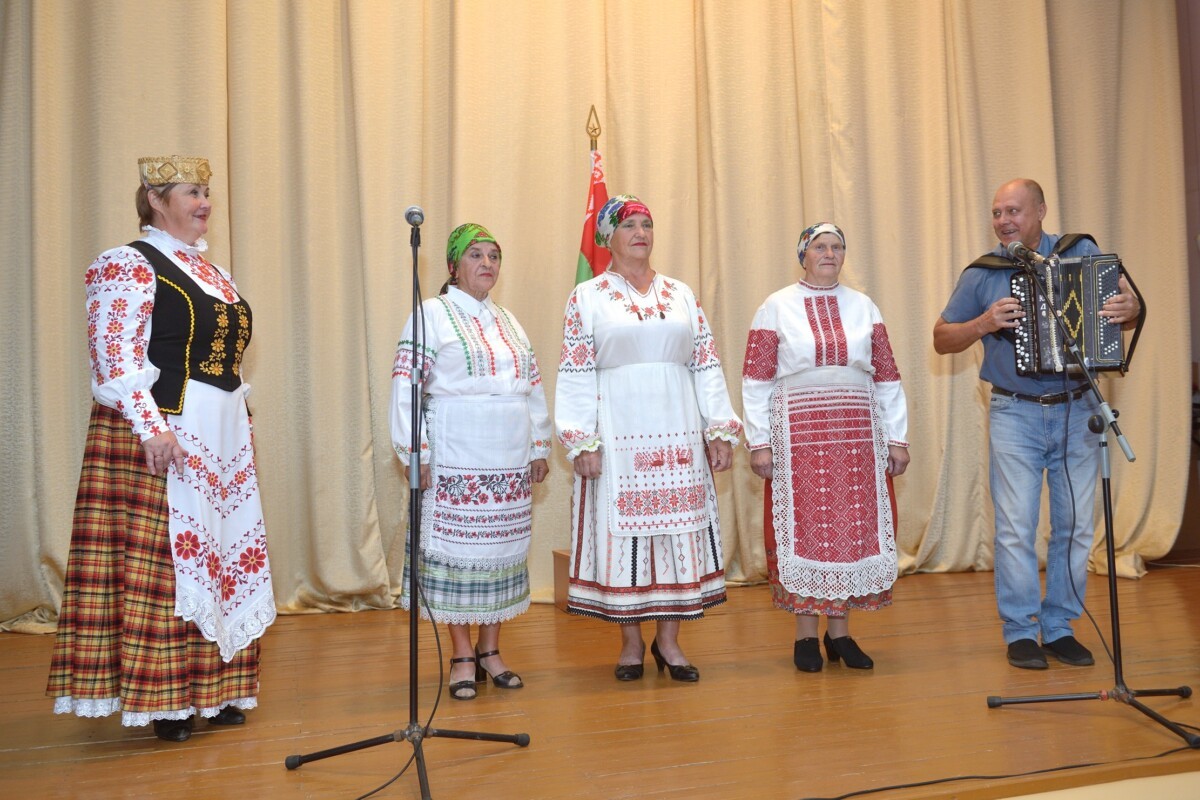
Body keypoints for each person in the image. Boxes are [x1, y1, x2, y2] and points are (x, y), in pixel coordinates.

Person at [47, 156, 275, 742]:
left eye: (207, 193)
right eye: (193, 193)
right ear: (155, 199)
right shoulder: (127, 263)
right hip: (165, 432)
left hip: (218, 434)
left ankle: (221, 688)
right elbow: (114, 355)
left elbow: (225, 360)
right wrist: (152, 428)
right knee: (171, 566)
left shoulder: (210, 272)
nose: (205, 203)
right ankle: (168, 698)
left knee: (224, 557)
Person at [933, 178, 1141, 669]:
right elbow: (942, 339)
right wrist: (983, 324)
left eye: (1014, 211)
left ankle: (1060, 626)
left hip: (1078, 408)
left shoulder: (1081, 252)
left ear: (1042, 210)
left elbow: (1122, 312)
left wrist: (1130, 310)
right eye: (997, 212)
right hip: (1014, 412)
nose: (1004, 221)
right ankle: (1021, 631)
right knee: (1014, 529)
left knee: (1074, 527)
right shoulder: (984, 272)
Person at [555, 195, 742, 683]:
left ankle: (670, 641)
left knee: (677, 528)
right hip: (618, 430)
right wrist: (581, 440)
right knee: (628, 537)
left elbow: (705, 361)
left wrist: (718, 426)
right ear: (608, 237)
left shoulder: (680, 292)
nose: (641, 232)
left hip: (678, 427)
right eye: (630, 225)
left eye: (648, 224)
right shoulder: (588, 296)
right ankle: (632, 643)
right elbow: (575, 370)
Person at [390, 223, 551, 701]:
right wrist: (413, 449)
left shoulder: (510, 321)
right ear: (453, 267)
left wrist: (539, 445)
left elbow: (533, 388)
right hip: (456, 454)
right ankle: (461, 654)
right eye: (476, 255)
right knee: (461, 557)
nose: (487, 264)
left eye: (494, 256)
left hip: (508, 458)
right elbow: (407, 387)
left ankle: (490, 650)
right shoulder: (431, 315)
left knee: (500, 553)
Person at [742, 223, 909, 672]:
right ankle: (804, 638)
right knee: (807, 529)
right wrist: (759, 442)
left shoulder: (864, 306)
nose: (830, 253)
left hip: (857, 433)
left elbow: (888, 375)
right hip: (799, 434)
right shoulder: (775, 307)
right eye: (820, 246)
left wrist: (896, 437)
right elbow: (756, 380)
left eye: (837, 247)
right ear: (804, 254)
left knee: (852, 529)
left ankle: (840, 634)